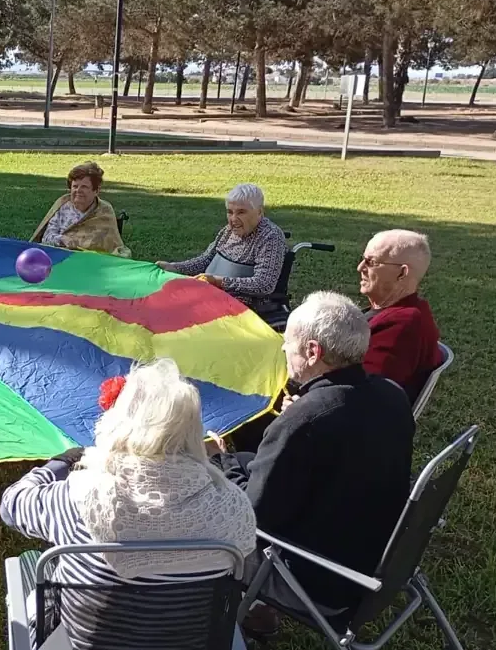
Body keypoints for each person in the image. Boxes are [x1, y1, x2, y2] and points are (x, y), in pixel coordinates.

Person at [1, 359, 255, 650]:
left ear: (120, 421)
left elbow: (11, 505)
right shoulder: (232, 508)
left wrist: (59, 463)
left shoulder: (79, 497)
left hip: (80, 643)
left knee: (28, 564)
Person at [213, 292, 415, 629]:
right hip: (370, 557)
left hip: (317, 583)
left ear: (312, 352)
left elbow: (250, 516)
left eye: (287, 341)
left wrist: (222, 460)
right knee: (246, 462)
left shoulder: (305, 421)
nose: (281, 348)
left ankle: (232, 613)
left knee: (202, 507)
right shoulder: (392, 394)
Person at [158, 184, 286, 309]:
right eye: (230, 212)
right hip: (213, 295)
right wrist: (174, 267)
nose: (233, 219)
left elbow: (263, 284)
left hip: (244, 306)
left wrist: (219, 281)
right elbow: (206, 260)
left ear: (259, 212)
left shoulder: (270, 236)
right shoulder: (228, 231)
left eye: (241, 212)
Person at [359, 229, 442, 403]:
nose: (360, 268)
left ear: (402, 273)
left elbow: (363, 394)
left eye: (370, 262)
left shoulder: (402, 325)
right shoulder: (400, 312)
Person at [29, 161, 129, 257]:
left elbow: (112, 247)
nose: (78, 191)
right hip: (61, 258)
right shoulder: (62, 206)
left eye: (84, 187)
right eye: (75, 186)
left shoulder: (104, 211)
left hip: (93, 263)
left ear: (96, 191)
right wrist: (62, 239)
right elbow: (46, 238)